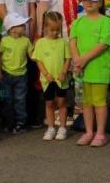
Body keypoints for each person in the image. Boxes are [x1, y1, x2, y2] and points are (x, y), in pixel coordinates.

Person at [70, 0, 110, 147]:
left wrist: (84, 60)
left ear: (100, 3)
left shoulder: (106, 22)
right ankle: (89, 132)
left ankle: (100, 133)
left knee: (99, 102)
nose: (89, 3)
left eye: (93, 0)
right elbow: (73, 41)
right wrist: (77, 61)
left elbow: (103, 44)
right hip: (82, 70)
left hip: (98, 68)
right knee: (86, 102)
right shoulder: (78, 22)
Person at [33, 11, 71, 141]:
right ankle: (50, 127)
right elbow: (39, 61)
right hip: (47, 79)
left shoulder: (63, 42)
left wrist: (64, 72)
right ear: (45, 28)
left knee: (61, 102)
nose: (55, 32)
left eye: (57, 29)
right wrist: (46, 74)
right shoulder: (40, 43)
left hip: (61, 79)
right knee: (49, 103)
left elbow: (67, 59)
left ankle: (62, 127)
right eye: (52, 29)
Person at [0, 13, 32, 133]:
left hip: (21, 75)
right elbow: (0, 56)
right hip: (6, 74)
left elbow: (32, 56)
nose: (24, 27)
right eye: (21, 25)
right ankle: (8, 122)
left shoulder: (26, 41)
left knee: (20, 99)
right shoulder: (4, 40)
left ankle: (20, 122)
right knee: (6, 98)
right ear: (12, 28)